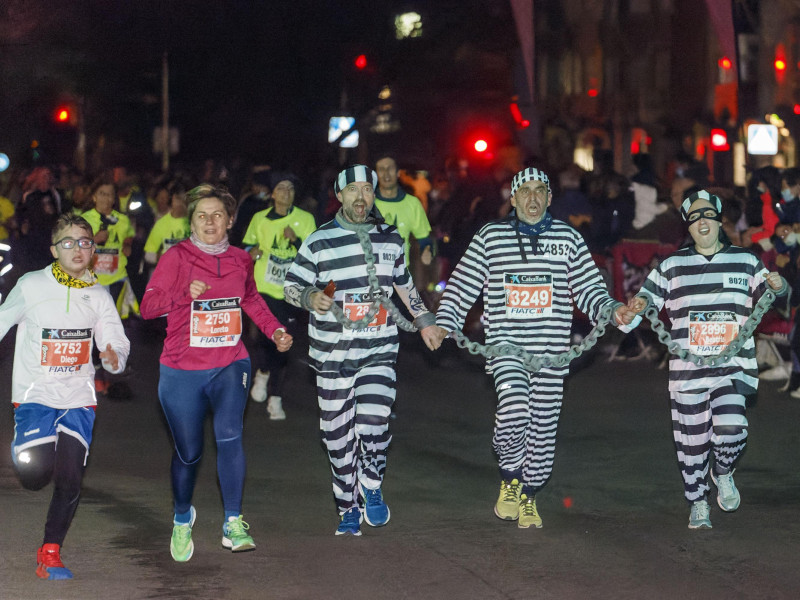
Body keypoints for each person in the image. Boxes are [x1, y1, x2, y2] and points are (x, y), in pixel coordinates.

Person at [430, 167, 635, 529]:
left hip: (552, 352)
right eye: (525, 190)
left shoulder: (567, 238)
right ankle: (510, 475)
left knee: (542, 426)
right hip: (507, 349)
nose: (533, 197)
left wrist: (611, 308)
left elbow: (589, 288)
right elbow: (462, 285)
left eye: (541, 190)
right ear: (513, 196)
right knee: (514, 412)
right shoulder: (491, 236)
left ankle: (529, 494)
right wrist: (444, 322)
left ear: (550, 198)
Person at [284, 165, 439, 536]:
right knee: (337, 436)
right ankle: (347, 505)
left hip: (379, 347)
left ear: (374, 195)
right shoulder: (320, 240)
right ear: (339, 196)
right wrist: (311, 296)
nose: (360, 197)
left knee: (374, 423)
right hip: (332, 356)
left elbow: (403, 284)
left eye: (366, 189)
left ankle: (371, 482)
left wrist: (425, 320)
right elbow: (292, 285)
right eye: (351, 189)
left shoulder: (388, 238)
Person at [140, 184, 293, 562]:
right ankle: (181, 517)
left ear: (230, 220)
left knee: (230, 437)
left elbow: (252, 299)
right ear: (191, 222)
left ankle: (233, 521)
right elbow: (147, 307)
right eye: (201, 216)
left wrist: (274, 330)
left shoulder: (242, 259)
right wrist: (182, 292)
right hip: (181, 370)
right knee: (189, 454)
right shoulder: (176, 257)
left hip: (230, 362)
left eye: (217, 215)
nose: (210, 222)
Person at [627, 190, 787, 529]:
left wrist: (779, 283)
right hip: (688, 371)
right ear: (689, 227)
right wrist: (638, 306)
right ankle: (697, 501)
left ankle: (723, 471)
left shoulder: (745, 261)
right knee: (693, 442)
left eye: (707, 216)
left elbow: (775, 293)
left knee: (731, 429)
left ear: (719, 221)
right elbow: (646, 298)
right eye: (694, 218)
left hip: (732, 365)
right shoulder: (672, 266)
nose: (702, 222)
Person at [1, 213, 130, 580]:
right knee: (35, 473)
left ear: (92, 250)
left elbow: (117, 341)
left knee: (72, 476)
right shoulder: (31, 285)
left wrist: (113, 358)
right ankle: (30, 451)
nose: (78, 249)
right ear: (54, 249)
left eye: (85, 242)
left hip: (78, 396)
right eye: (69, 242)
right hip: (35, 395)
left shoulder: (98, 295)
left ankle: (51, 551)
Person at [242, 172, 316, 419]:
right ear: (272, 194)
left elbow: (316, 254)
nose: (287, 193)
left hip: (293, 291)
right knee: (269, 338)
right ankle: (267, 381)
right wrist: (251, 252)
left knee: (284, 342)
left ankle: (274, 393)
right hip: (264, 288)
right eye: (281, 188)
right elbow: (246, 247)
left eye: (291, 189)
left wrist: (296, 243)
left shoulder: (305, 220)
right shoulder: (259, 219)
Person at [81, 178, 136, 315]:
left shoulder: (123, 220)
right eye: (102, 193)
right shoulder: (83, 220)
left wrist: (128, 244)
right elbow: (76, 248)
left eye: (109, 194)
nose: (106, 198)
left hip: (117, 278)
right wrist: (94, 239)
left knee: (115, 322)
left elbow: (129, 236)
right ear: (94, 197)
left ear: (114, 198)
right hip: (91, 280)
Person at [374, 154, 434, 267]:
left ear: (398, 173)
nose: (386, 174)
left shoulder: (412, 203)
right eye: (381, 169)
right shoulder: (366, 203)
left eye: (390, 169)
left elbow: (424, 238)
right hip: (369, 277)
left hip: (399, 276)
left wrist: (427, 250)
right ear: (376, 174)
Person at [143, 181, 190, 267]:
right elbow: (149, 254)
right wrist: (161, 257)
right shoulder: (161, 224)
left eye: (184, 200)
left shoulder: (195, 225)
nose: (181, 204)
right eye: (178, 199)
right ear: (172, 199)